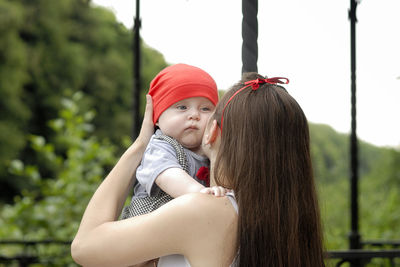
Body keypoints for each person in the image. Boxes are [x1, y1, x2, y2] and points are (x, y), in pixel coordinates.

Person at [72, 72, 326, 266]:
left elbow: (85, 247)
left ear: (212, 131)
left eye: (205, 110)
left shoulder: (205, 209)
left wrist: (139, 146)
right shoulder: (291, 220)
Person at [121, 63, 220, 219]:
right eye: (182, 107)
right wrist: (198, 192)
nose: (194, 115)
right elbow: (166, 174)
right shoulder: (160, 146)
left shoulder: (212, 149)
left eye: (205, 109)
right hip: (146, 230)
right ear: (158, 118)